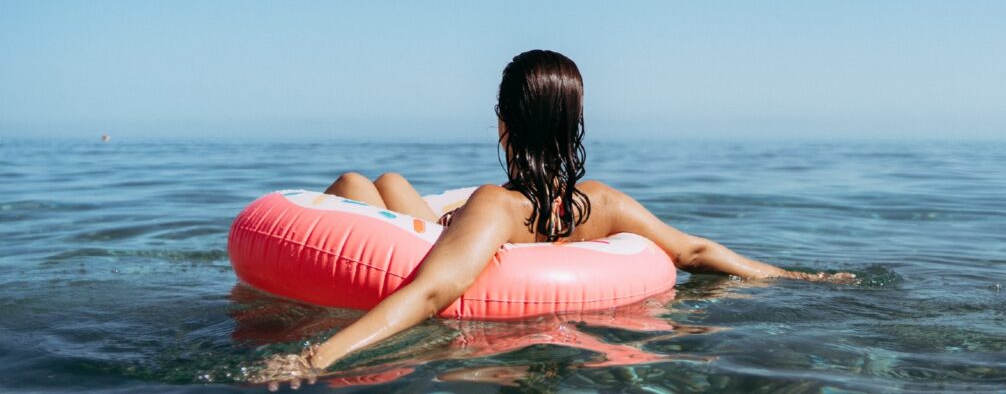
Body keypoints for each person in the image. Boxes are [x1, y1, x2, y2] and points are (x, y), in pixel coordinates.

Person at [255, 50, 854, 390]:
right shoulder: (601, 203)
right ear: (574, 125)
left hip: (460, 314)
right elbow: (695, 251)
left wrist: (316, 356)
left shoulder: (496, 205)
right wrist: (798, 279)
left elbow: (434, 289)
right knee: (389, 182)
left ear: (503, 123)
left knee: (357, 184)